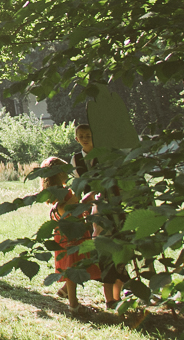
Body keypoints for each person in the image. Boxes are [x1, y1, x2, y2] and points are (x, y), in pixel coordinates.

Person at [72, 122, 126, 308]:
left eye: (89, 135)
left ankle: (117, 294)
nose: (86, 139)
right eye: (82, 136)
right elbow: (79, 182)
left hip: (110, 205)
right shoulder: (76, 158)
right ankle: (106, 294)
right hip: (91, 208)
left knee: (116, 246)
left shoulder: (104, 156)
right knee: (97, 247)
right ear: (77, 139)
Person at [42, 156, 101, 314]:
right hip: (72, 235)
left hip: (65, 233)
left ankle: (65, 290)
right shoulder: (65, 193)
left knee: (73, 264)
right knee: (73, 268)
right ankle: (73, 305)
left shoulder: (55, 193)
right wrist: (88, 199)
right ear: (61, 174)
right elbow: (72, 209)